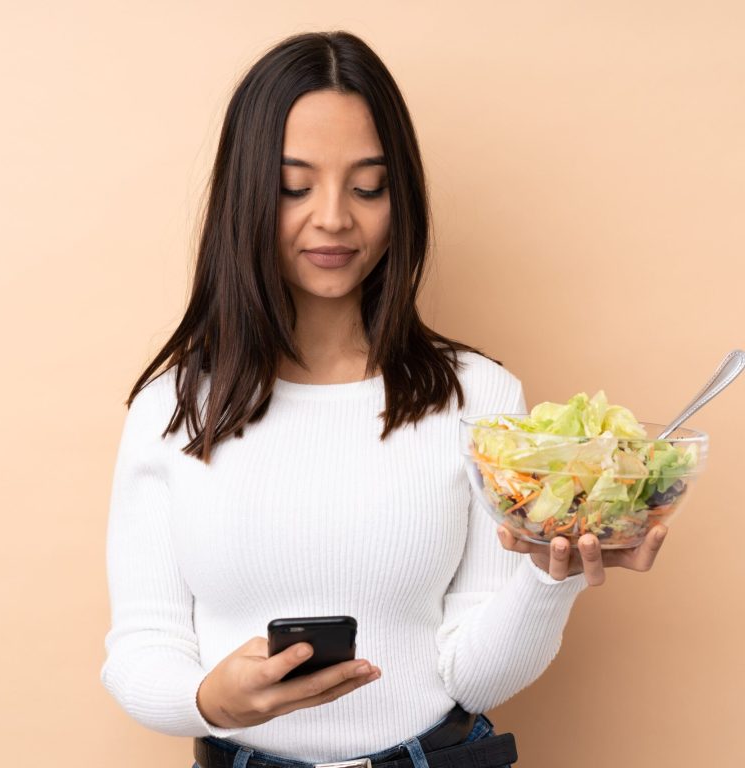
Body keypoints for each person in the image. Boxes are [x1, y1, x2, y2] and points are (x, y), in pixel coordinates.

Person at [99, 30, 668, 768]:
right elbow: (141, 647)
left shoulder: (480, 400)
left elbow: (476, 677)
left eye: (368, 186)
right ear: (244, 194)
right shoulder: (172, 410)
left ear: (401, 197)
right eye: (293, 186)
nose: (334, 217)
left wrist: (544, 574)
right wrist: (208, 700)